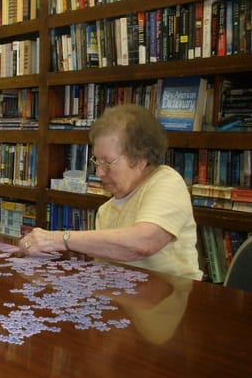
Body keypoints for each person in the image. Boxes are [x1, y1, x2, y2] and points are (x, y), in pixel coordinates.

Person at [20, 104, 203, 280]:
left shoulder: (167, 181)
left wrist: (60, 239)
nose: (99, 173)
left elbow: (144, 242)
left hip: (176, 303)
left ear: (141, 159)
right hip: (128, 303)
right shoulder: (106, 210)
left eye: (107, 162)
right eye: (97, 162)